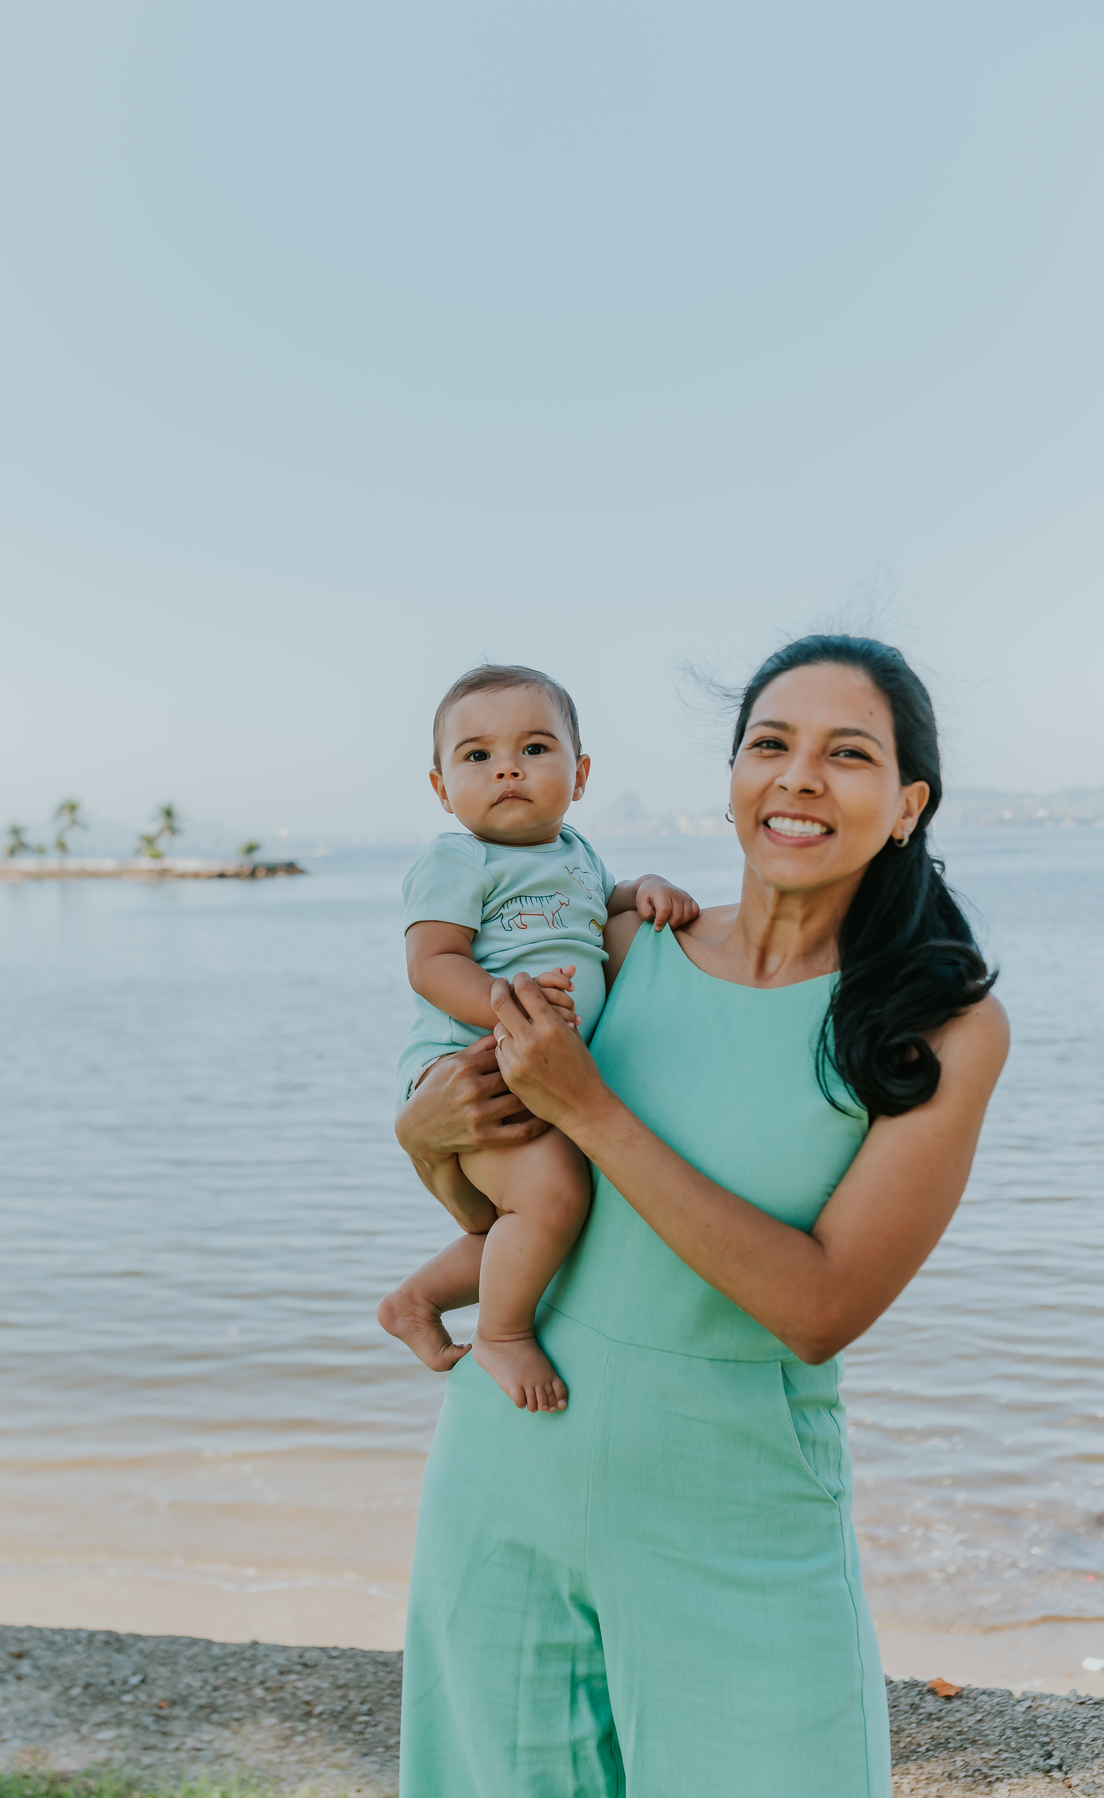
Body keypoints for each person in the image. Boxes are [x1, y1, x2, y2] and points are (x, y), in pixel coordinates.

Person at [393, 636, 1009, 1797]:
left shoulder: (939, 1027)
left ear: (908, 803)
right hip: (505, 1475)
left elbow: (820, 1307)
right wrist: (423, 1141)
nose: (798, 776)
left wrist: (592, 1105)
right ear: (732, 776)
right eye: (770, 743)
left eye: (848, 753)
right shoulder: (628, 946)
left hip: (737, 1519)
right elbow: (506, 1198)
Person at [378, 663, 699, 1413]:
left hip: (536, 1063)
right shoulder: (458, 859)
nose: (508, 768)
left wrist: (644, 888)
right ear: (441, 788)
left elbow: (605, 904)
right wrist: (507, 1004)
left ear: (580, 775)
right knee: (552, 1198)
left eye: (534, 748)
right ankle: (502, 1333)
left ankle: (415, 1301)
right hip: (470, 1064)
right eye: (478, 755)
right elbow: (432, 964)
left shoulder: (576, 853)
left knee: (539, 1215)